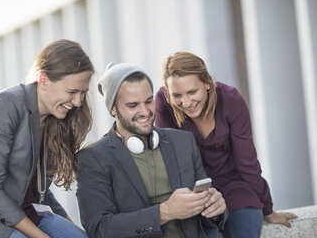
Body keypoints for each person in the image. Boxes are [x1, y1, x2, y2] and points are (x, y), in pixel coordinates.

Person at [0, 39, 94, 238]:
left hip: (24, 210)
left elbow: (38, 190)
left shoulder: (55, 119)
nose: (77, 102)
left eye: (82, 93)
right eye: (71, 92)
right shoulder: (6, 105)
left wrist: (70, 226)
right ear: (43, 80)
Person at [76, 62, 227, 238]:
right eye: (132, 105)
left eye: (148, 101)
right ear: (113, 109)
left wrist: (215, 210)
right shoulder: (93, 157)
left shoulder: (183, 141)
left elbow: (209, 217)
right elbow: (99, 228)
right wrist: (165, 212)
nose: (145, 111)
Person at [154, 51, 297, 238]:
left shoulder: (231, 101)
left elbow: (247, 161)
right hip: (195, 191)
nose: (186, 102)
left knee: (246, 226)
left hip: (234, 186)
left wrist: (268, 209)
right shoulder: (164, 104)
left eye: (192, 92)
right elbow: (171, 161)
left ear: (207, 82)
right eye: (177, 95)